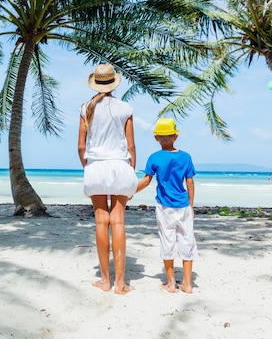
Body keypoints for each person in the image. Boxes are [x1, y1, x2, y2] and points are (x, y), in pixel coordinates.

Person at [78, 64, 138, 295]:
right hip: (119, 165)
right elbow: (130, 145)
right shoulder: (125, 108)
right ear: (114, 83)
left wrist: (88, 167)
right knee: (119, 221)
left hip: (96, 166)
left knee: (101, 221)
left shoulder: (86, 108)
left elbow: (81, 145)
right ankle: (121, 283)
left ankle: (105, 281)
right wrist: (131, 166)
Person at [135, 118, 198, 294]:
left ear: (156, 138)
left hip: (164, 207)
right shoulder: (186, 157)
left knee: (167, 241)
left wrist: (131, 192)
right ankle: (187, 284)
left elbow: (147, 181)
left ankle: (171, 284)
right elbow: (190, 183)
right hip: (183, 206)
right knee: (187, 241)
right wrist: (191, 206)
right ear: (175, 136)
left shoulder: (154, 158)